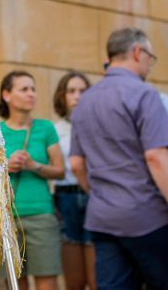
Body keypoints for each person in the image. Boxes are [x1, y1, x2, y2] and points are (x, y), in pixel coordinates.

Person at [71, 28, 168, 289]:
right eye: (150, 57)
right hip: (146, 216)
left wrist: (99, 195)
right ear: (137, 52)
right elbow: (156, 157)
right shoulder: (144, 94)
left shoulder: (85, 101)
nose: (149, 66)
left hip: (102, 217)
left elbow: (76, 164)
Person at [0, 71, 65, 290]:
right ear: (7, 95)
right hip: (7, 218)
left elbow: (60, 171)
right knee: (16, 284)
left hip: (41, 215)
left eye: (33, 89)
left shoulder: (45, 128)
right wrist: (5, 167)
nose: (31, 94)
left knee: (47, 283)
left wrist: (33, 166)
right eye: (24, 89)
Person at [52, 72, 96, 290]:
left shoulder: (98, 125)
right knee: (75, 281)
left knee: (97, 278)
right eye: (71, 91)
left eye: (82, 91)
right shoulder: (54, 129)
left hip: (94, 197)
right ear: (63, 95)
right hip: (65, 199)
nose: (77, 96)